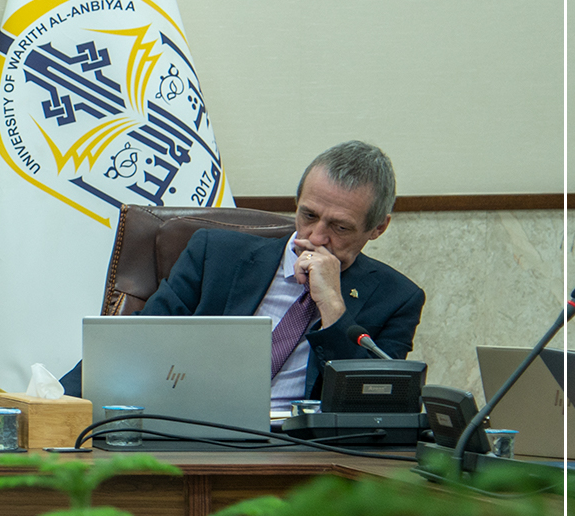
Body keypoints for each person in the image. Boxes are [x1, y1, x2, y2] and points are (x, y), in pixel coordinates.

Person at [67, 140, 425, 411]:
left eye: (340, 227)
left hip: (306, 454)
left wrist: (332, 304)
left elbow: (377, 406)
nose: (316, 237)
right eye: (309, 215)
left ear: (378, 228)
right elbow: (135, 343)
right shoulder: (215, 255)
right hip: (194, 430)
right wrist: (54, 401)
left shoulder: (396, 298)